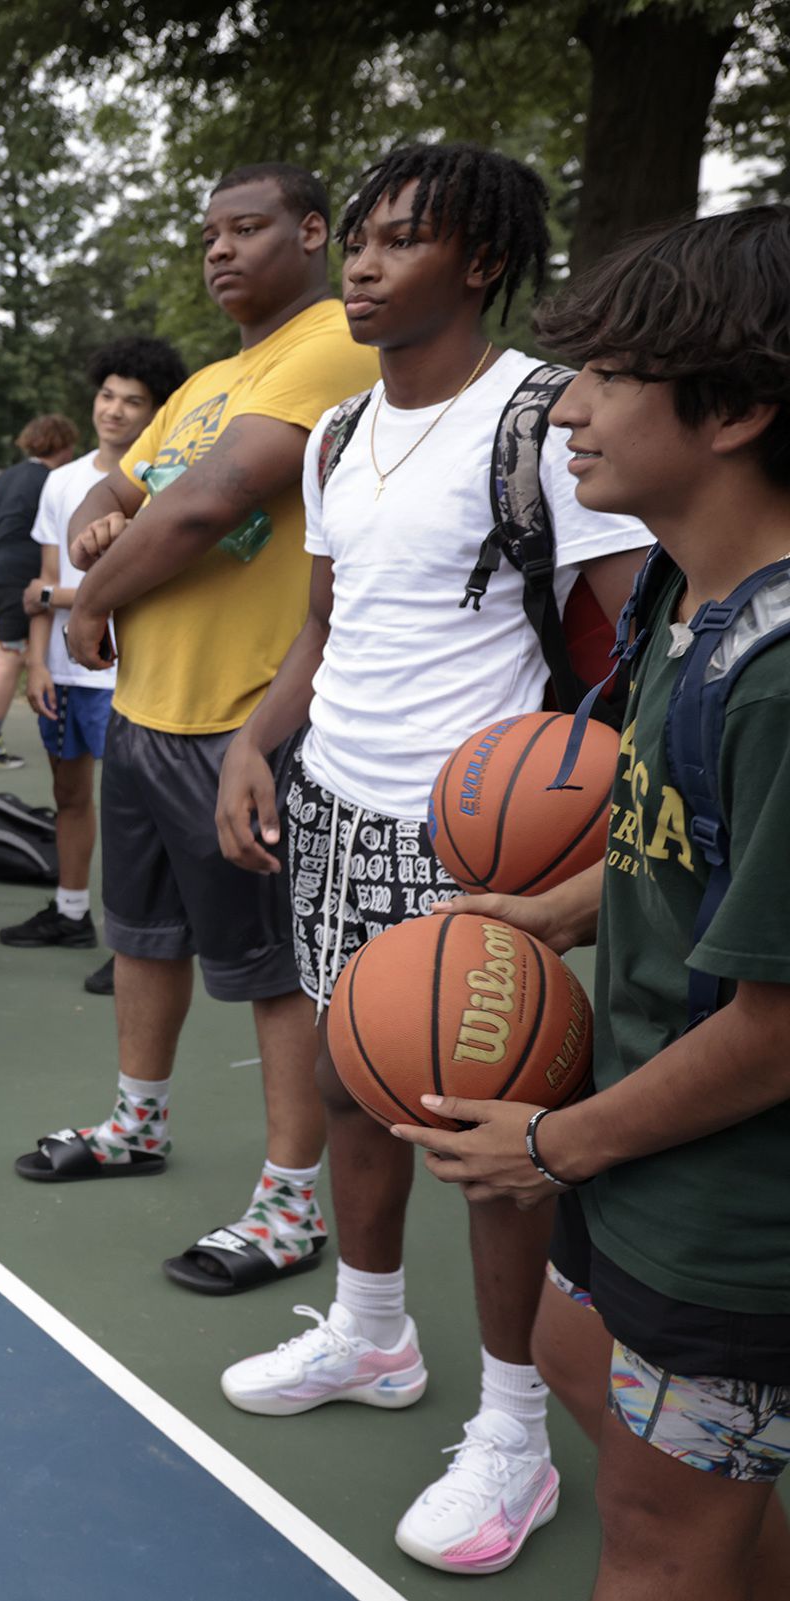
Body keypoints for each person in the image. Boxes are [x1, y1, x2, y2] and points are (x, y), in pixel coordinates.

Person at [204, 143, 654, 1572]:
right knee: (350, 1081)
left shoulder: (540, 421)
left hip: (477, 839)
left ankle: (514, 1431)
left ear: (479, 263)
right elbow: (327, 632)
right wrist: (253, 744)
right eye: (362, 240)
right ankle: (372, 1331)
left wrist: (594, 851)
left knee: (489, 1145)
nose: (363, 262)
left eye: (403, 242)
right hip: (334, 803)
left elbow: (633, 654)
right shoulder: (338, 433)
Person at [390, 203, 790, 1601]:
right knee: (575, 1362)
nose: (570, 405)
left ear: (734, 407)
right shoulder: (687, 596)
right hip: (649, 1143)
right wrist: (545, 918)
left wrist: (556, 1143)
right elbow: (665, 841)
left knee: (659, 1531)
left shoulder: (784, 673)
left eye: (613, 375)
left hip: (736, 1206)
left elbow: (779, 1028)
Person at [13, 163, 380, 1301]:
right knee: (145, 934)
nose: (220, 250)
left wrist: (88, 599)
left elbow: (207, 503)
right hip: (147, 710)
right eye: (209, 232)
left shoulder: (330, 346)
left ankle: (288, 1204)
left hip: (247, 720)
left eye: (248, 227)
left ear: (312, 232)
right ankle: (139, 1121)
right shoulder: (209, 376)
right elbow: (113, 489)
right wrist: (96, 522)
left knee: (274, 972)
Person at [3, 338, 189, 991]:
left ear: (155, 414)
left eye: (132, 401)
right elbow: (46, 579)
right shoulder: (61, 480)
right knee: (69, 796)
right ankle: (70, 911)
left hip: (127, 674)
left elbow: (120, 579)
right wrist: (35, 661)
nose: (114, 410)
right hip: (65, 668)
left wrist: (52, 597)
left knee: (134, 814)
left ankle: (135, 938)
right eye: (108, 395)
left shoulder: (166, 479)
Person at [0, 416, 78, 768]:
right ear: (62, 445)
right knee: (10, 659)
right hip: (20, 579)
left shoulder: (5, 478)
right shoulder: (53, 482)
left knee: (25, 654)